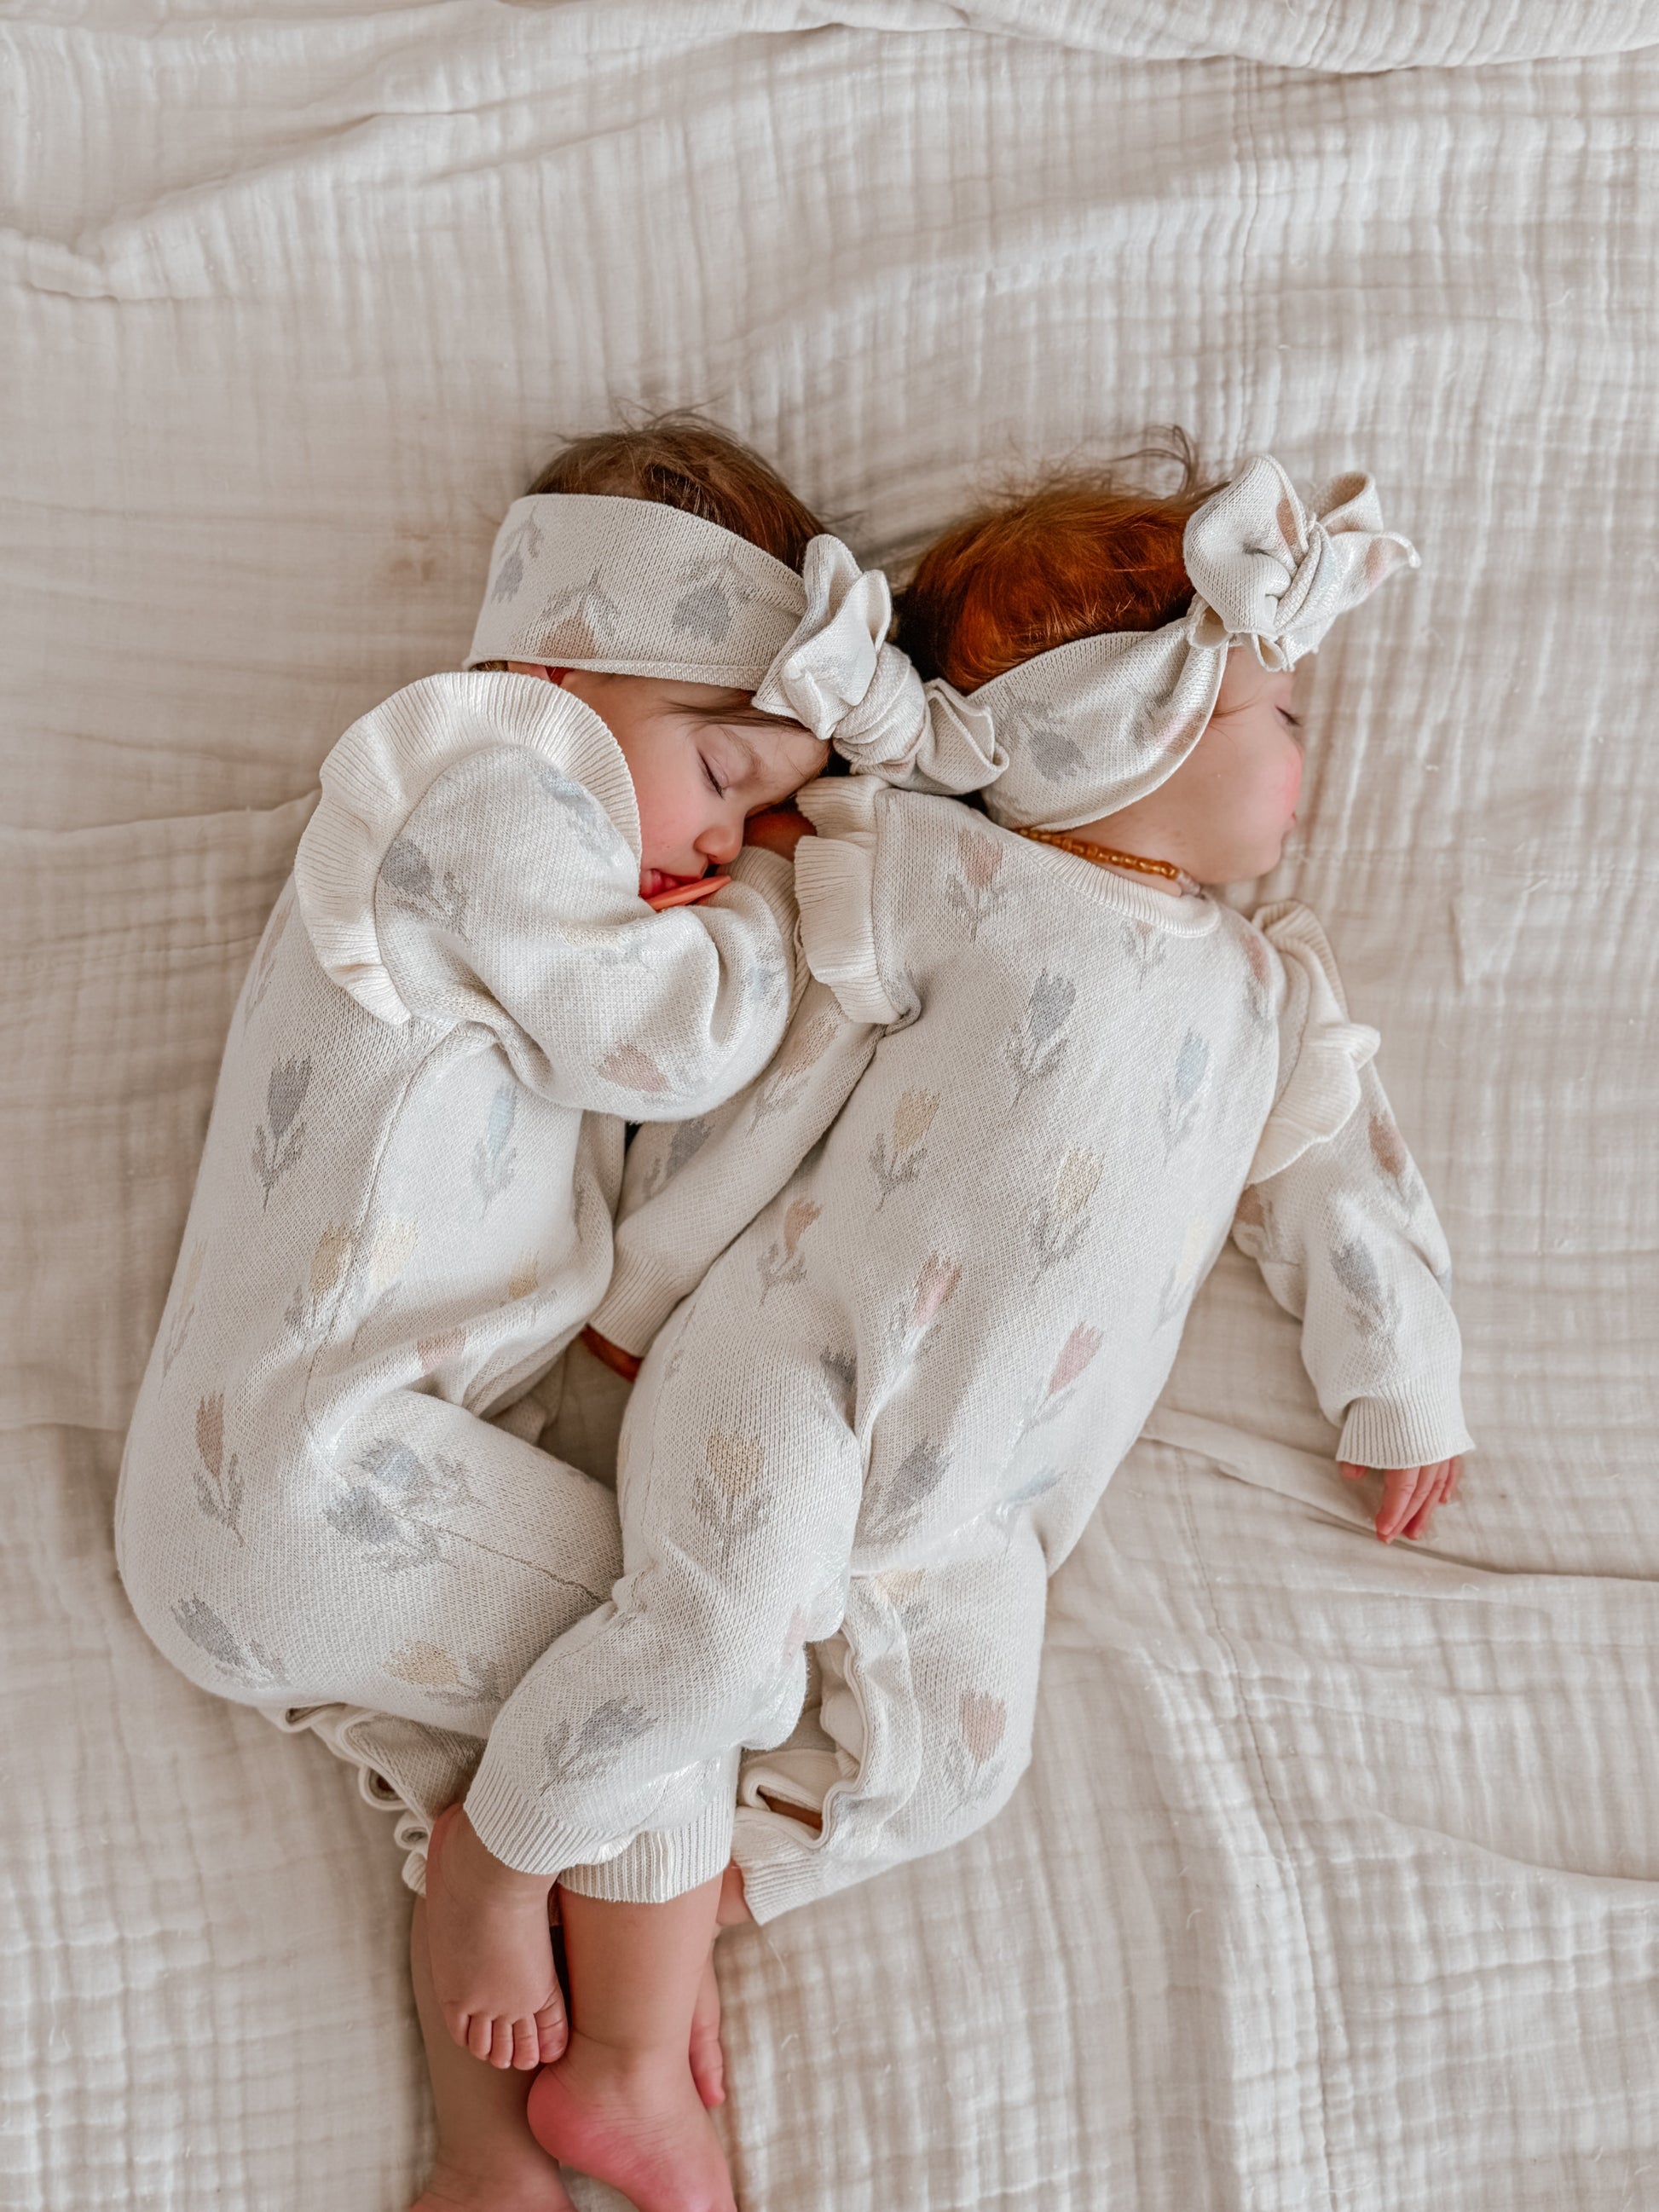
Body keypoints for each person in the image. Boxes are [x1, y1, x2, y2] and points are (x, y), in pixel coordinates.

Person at [433, 448, 1470, 2212]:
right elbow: (766, 1076)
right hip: (797, 1371)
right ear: (1120, 727)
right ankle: (501, 1865)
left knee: (964, 1770)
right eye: (1273, 708)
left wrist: (1401, 1380)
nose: (1305, 743)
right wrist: (645, 1285)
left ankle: (673, 1925)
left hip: (989, 1504)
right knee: (712, 1649)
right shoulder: (951, 877)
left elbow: (1340, 1193)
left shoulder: (1268, 994)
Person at [115, 416, 991, 2212]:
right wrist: (782, 900)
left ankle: (488, 2155)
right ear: (559, 667)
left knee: (540, 1725)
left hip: (311, 1497)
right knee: (686, 1624)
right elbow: (664, 1038)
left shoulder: (526, 840)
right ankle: (630, 2070)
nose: (722, 836)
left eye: (749, 813)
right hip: (307, 1478)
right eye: (720, 771)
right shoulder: (484, 788)